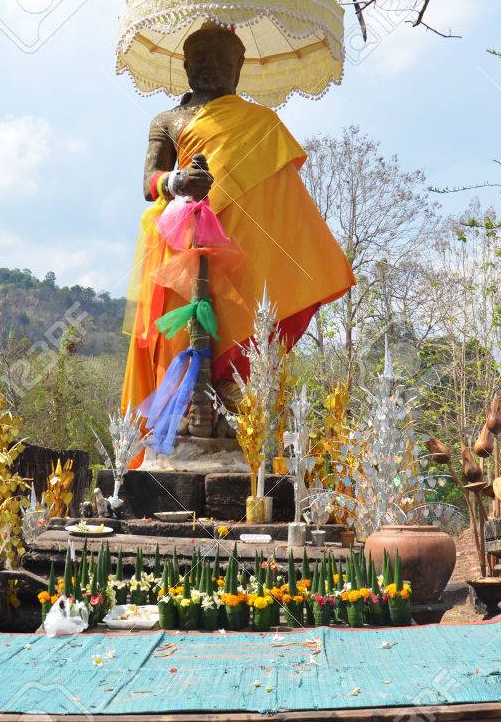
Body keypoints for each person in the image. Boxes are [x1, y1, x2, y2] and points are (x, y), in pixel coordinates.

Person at [121, 22, 354, 456]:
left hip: (243, 248)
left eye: (222, 61)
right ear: (186, 66)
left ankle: (232, 411)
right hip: (182, 242)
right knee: (185, 331)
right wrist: (178, 181)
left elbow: (285, 202)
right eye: (202, 61)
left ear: (239, 68)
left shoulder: (261, 123)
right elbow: (148, 183)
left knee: (240, 321)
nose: (211, 68)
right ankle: (184, 412)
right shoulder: (168, 119)